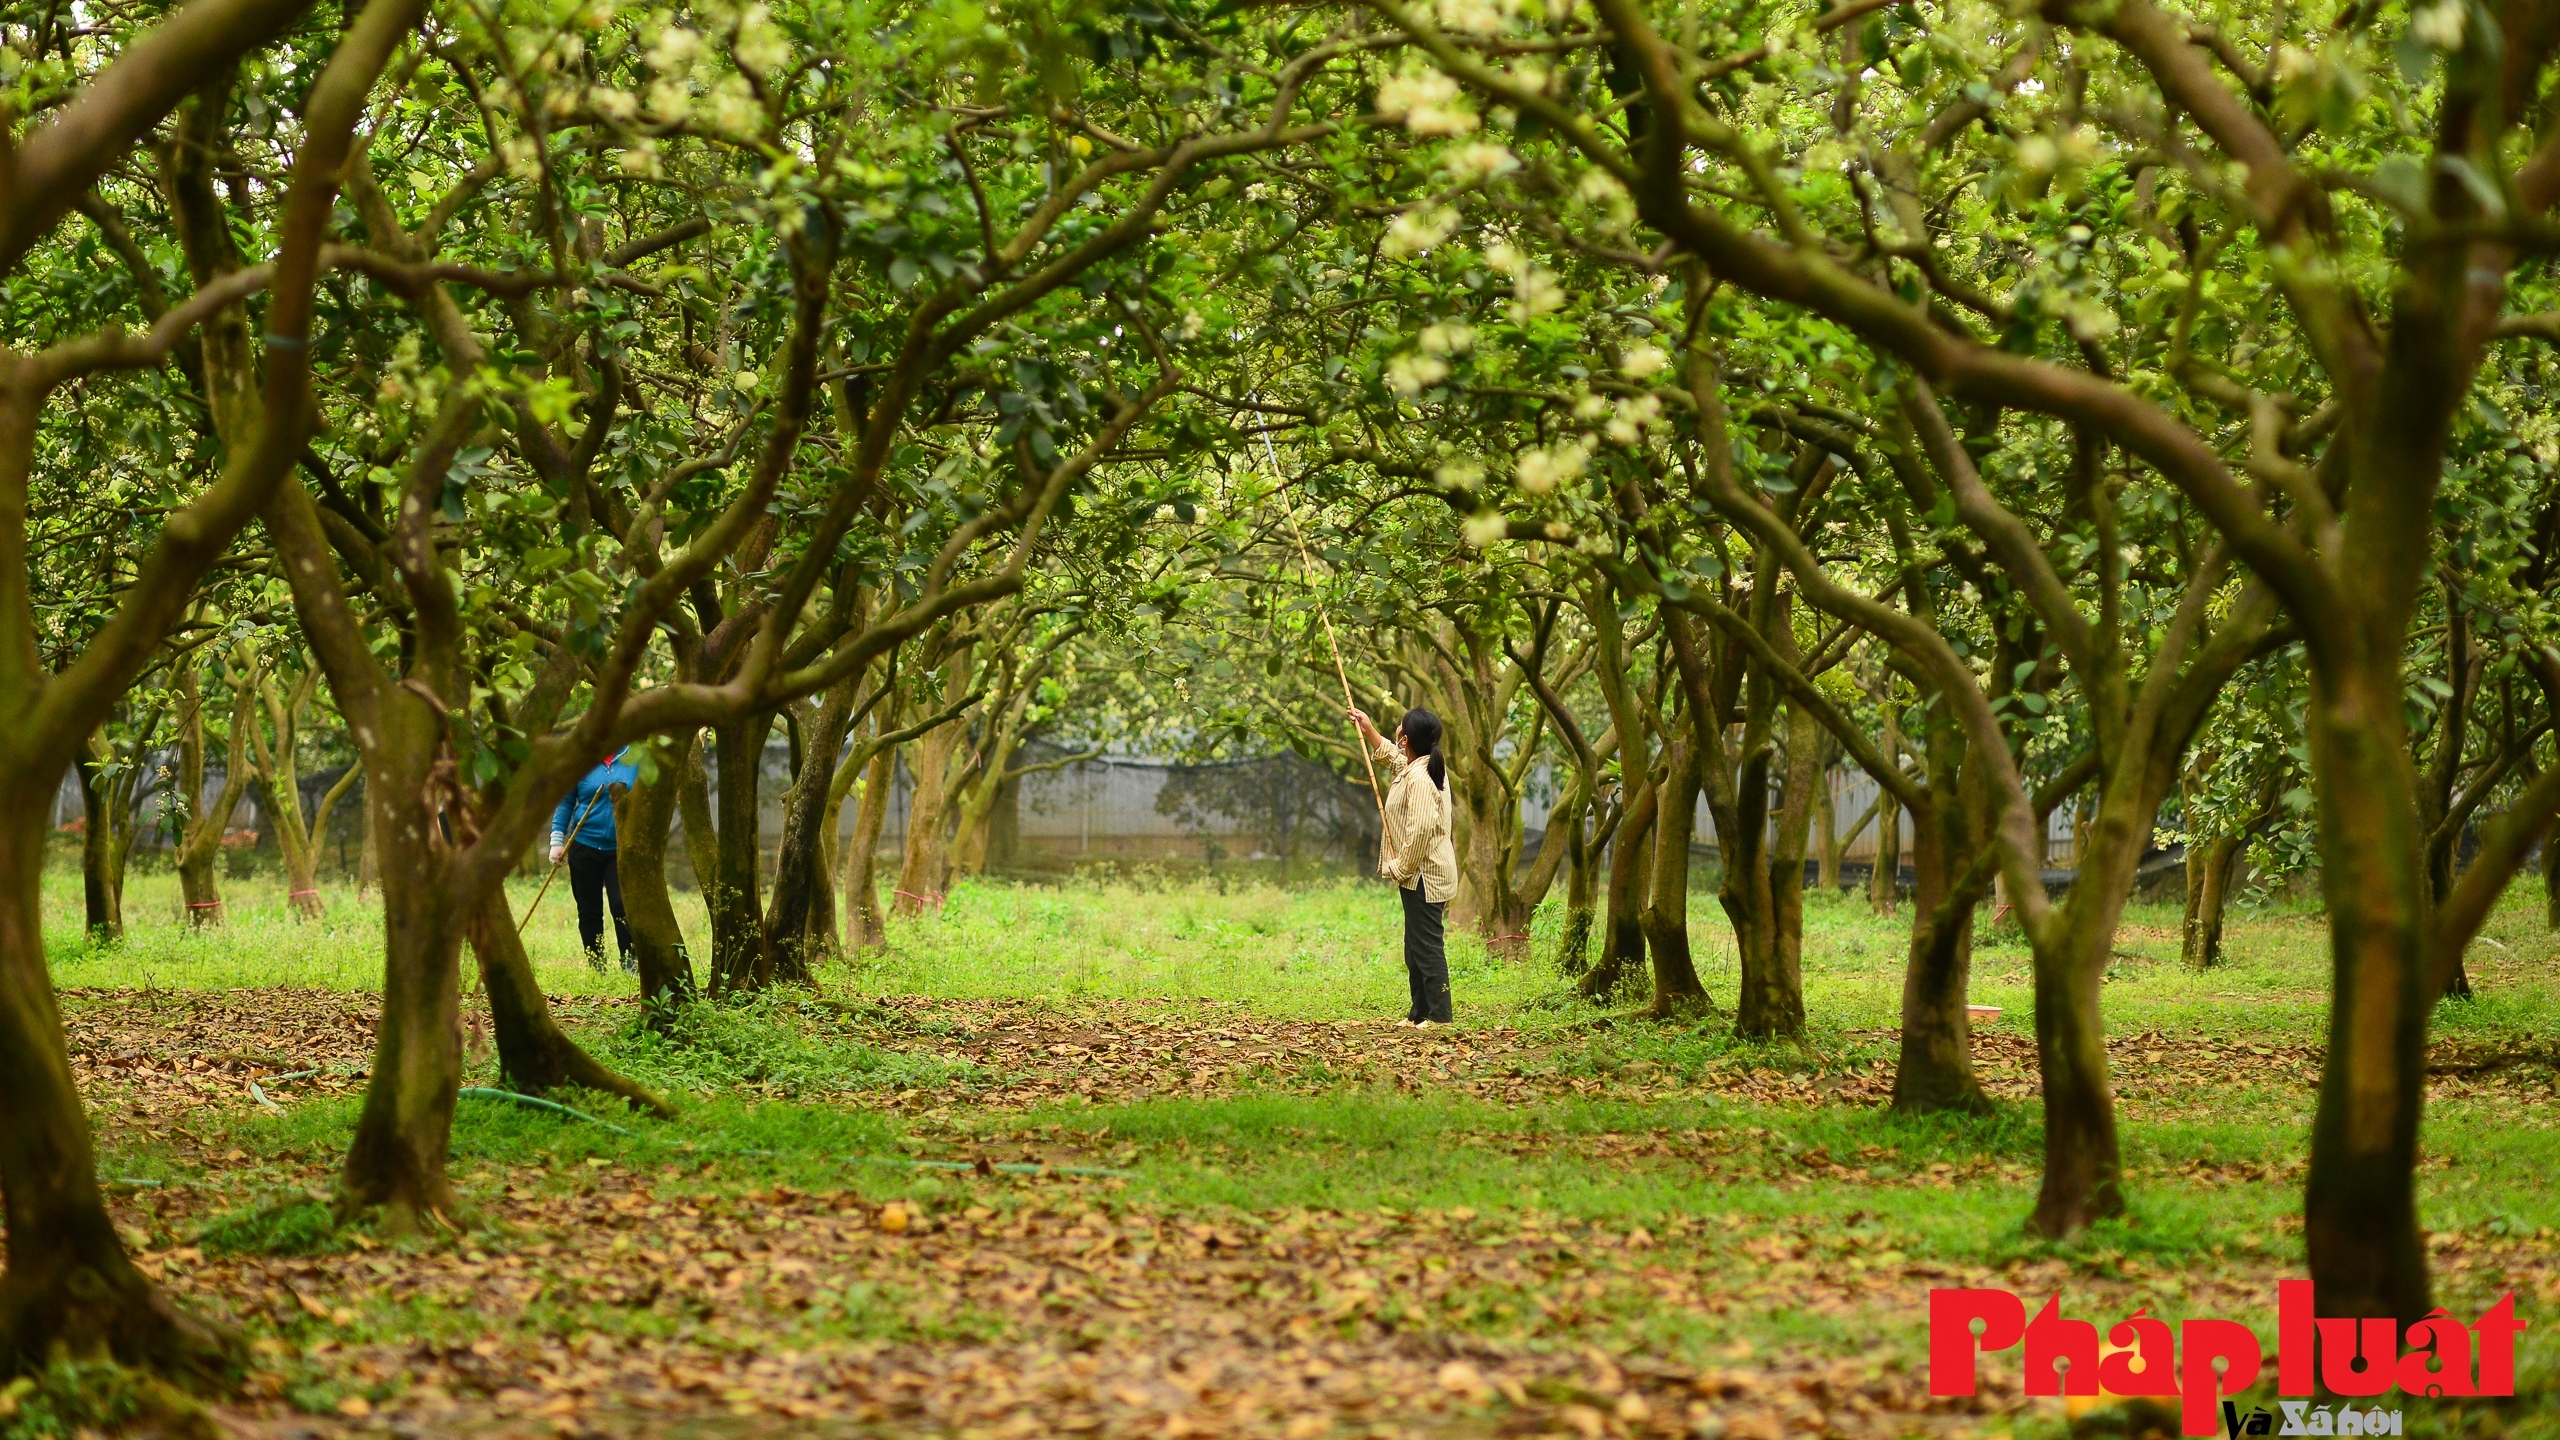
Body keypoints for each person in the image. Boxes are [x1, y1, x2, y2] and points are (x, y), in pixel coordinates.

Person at [1348, 705, 1459, 1026]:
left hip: (1424, 875)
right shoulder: (1419, 767)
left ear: (1406, 739)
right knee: (1415, 948)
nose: (1395, 730)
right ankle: (1419, 1014)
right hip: (1420, 875)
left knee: (1426, 947)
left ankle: (1439, 1018)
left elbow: (1421, 828)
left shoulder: (1422, 778)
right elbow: (1397, 761)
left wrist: (1401, 867)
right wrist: (1368, 730)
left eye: (1399, 727)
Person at [550, 748, 638, 973]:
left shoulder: (635, 757)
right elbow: (565, 802)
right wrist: (557, 841)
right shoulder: (582, 759)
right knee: (589, 910)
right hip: (584, 845)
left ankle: (630, 963)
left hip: (621, 847)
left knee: (622, 905)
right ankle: (596, 965)